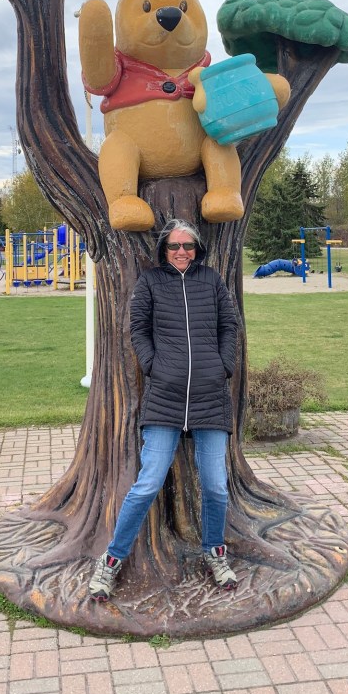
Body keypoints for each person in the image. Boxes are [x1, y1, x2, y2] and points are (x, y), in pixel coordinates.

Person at [88, 218, 240, 602]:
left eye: (188, 246)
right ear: (164, 249)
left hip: (209, 397)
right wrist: (153, 365)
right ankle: (111, 560)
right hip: (164, 399)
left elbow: (230, 325)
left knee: (215, 485)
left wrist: (223, 365)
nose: (181, 252)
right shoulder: (151, 282)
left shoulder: (212, 281)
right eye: (174, 246)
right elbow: (137, 327)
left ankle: (215, 551)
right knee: (148, 483)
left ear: (197, 248)